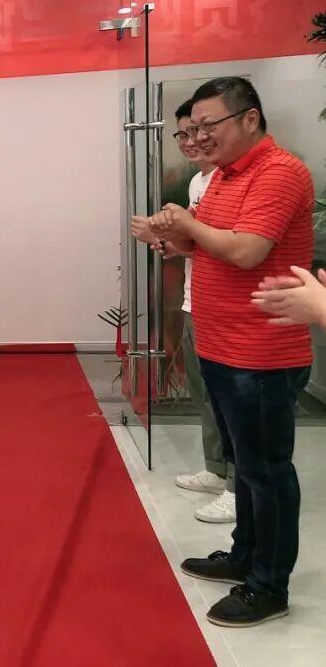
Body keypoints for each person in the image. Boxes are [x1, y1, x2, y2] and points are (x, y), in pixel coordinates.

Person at [147, 77, 313, 627]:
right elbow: (210, 245)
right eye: (192, 128)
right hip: (221, 344)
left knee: (267, 472)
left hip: (261, 350)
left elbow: (247, 251)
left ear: (249, 118)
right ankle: (245, 555)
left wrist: (188, 223)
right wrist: (173, 235)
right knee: (244, 467)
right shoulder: (223, 176)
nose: (198, 137)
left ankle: (269, 585)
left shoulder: (279, 172)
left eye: (207, 125)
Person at [131, 100, 233, 523]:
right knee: (204, 392)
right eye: (184, 133)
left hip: (224, 307)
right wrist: (165, 241)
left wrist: (177, 234)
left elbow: (236, 248)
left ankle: (238, 486)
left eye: (201, 129)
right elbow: (197, 245)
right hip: (195, 299)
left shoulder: (233, 180)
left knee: (229, 399)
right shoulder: (197, 182)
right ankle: (217, 469)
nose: (193, 140)